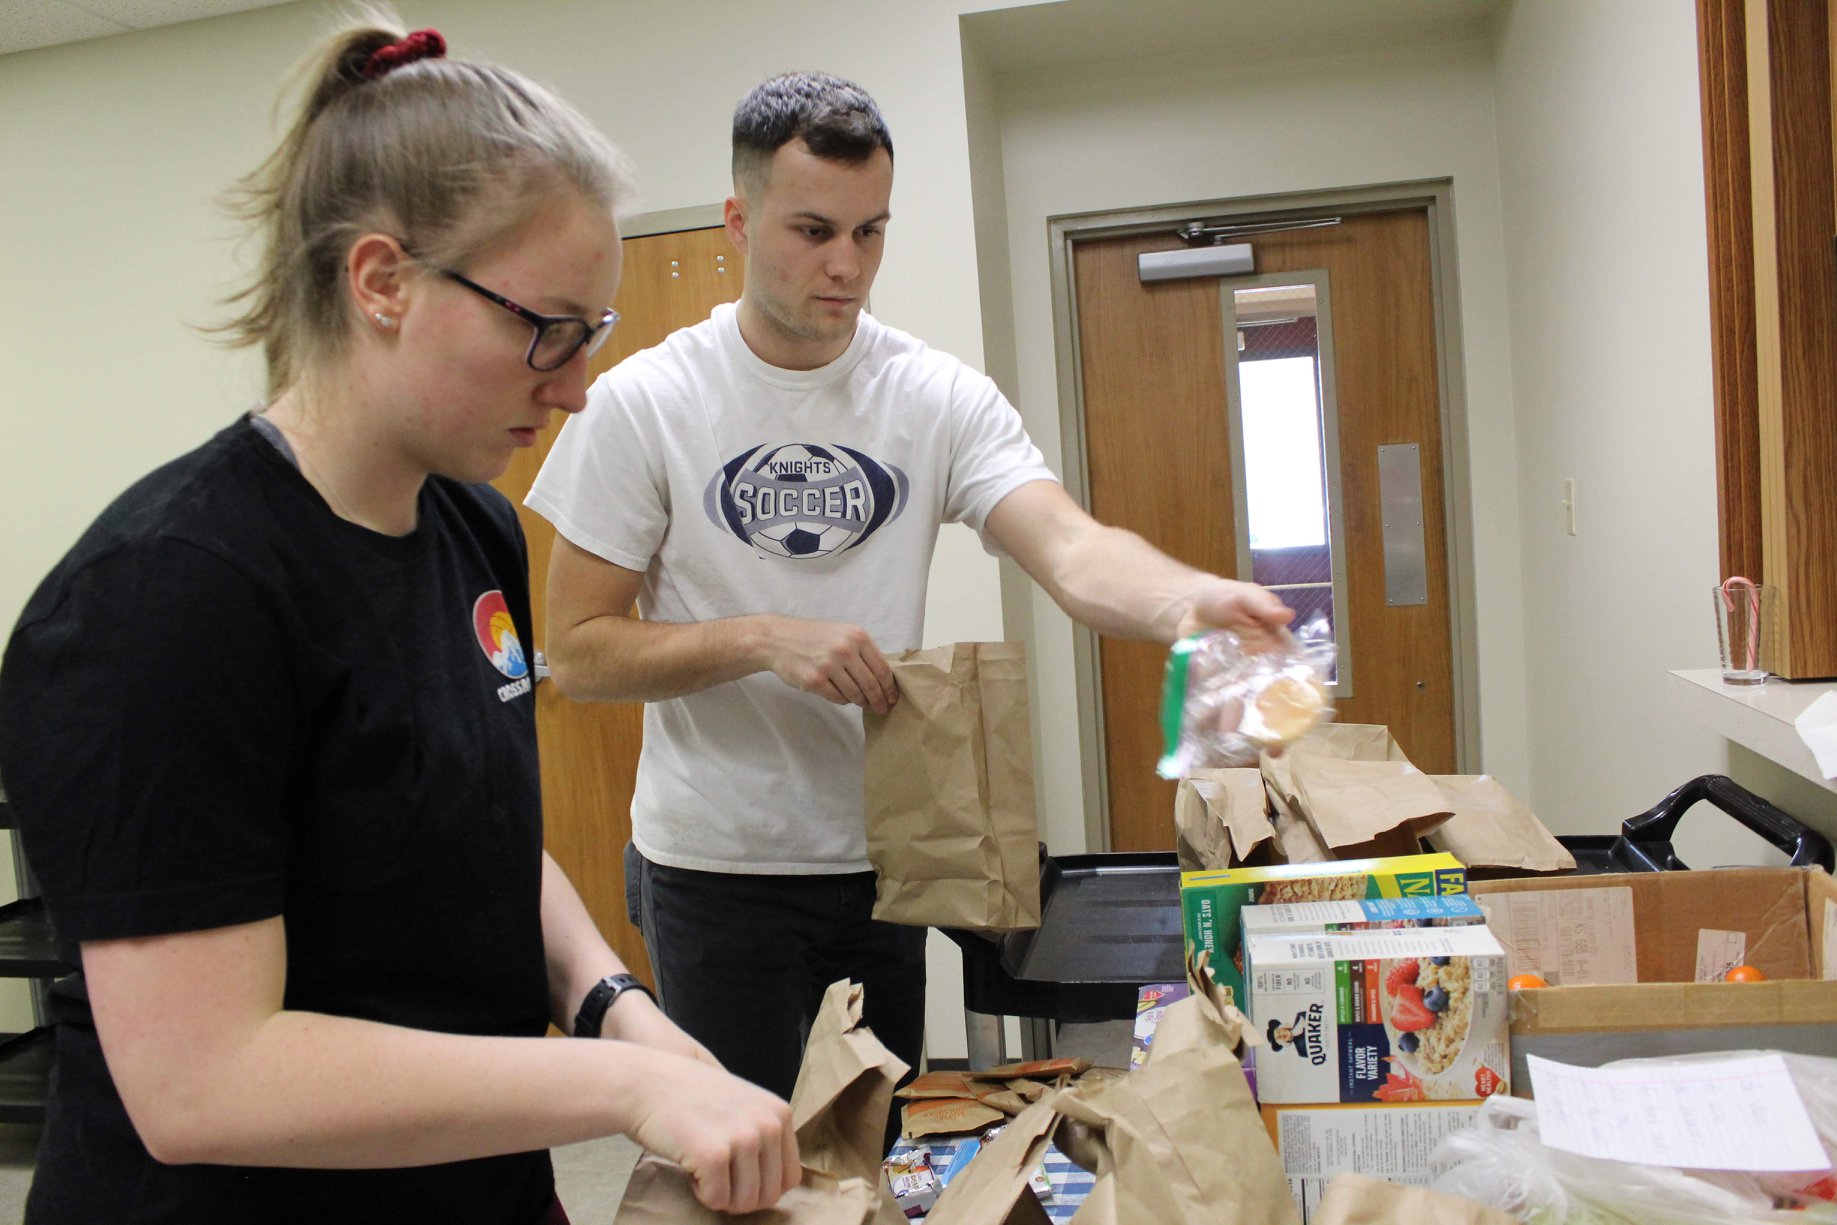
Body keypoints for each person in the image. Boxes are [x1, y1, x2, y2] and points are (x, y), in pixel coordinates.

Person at [0, 19, 799, 1225]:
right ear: (380, 281)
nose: (576, 384)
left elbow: (475, 833)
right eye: (545, 327)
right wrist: (619, 1081)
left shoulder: (469, 529)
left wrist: (615, 1006)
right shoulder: (164, 595)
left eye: (593, 334)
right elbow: (205, 1081)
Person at [528, 71, 1293, 1106]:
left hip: (889, 857)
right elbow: (576, 649)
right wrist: (761, 638)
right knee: (743, 1152)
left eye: (870, 232)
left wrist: (1184, 599)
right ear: (738, 218)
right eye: (810, 230)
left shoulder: (932, 395)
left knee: (871, 1142)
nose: (845, 265)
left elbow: (1066, 547)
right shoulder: (643, 404)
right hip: (712, 865)